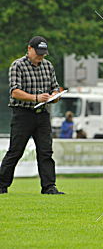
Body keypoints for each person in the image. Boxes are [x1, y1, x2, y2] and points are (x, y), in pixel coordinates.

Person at [0, 36, 64, 195]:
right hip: (23, 114)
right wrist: (35, 98)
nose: (40, 56)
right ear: (29, 49)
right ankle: (1, 185)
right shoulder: (18, 65)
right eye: (38, 53)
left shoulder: (48, 66)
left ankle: (49, 187)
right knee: (16, 151)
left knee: (46, 151)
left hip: (42, 114)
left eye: (43, 53)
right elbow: (15, 92)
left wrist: (55, 96)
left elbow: (55, 87)